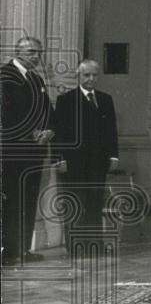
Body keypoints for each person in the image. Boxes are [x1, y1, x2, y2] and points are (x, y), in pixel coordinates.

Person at [53, 59, 119, 252]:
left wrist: (114, 156)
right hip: (73, 163)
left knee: (94, 202)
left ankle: (95, 245)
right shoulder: (66, 100)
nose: (91, 79)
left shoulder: (105, 99)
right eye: (86, 75)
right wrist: (60, 159)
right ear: (78, 76)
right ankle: (76, 247)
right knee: (75, 202)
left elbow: (111, 130)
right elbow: (59, 133)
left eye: (94, 75)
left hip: (98, 162)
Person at [1, 36, 54, 266]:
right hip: (13, 150)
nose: (36, 56)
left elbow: (48, 110)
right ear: (18, 51)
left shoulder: (37, 79)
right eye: (31, 51)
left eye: (38, 52)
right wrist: (29, 131)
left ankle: (23, 248)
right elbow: (5, 113)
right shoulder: (5, 75)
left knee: (30, 198)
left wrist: (49, 130)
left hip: (35, 151)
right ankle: (10, 250)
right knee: (13, 199)